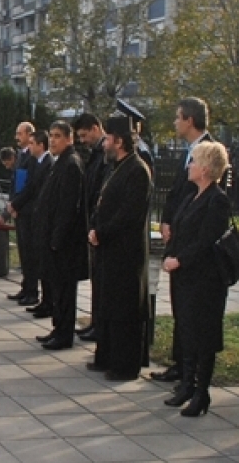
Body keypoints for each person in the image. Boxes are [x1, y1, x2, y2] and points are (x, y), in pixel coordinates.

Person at [161, 141, 231, 416]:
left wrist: (180, 259)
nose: (188, 166)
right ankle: (186, 384)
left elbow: (206, 240)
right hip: (184, 277)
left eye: (193, 162)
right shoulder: (193, 196)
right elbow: (179, 231)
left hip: (204, 279)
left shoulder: (217, 199)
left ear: (205, 168)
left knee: (203, 334)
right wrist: (170, 254)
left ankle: (202, 392)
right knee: (186, 329)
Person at [152, 97, 219, 384]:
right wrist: (167, 221)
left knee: (193, 314)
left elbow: (202, 202)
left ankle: (189, 372)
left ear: (190, 119)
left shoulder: (210, 152)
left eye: (178, 117)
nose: (175, 122)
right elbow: (177, 193)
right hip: (178, 235)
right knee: (180, 307)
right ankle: (180, 364)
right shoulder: (187, 151)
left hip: (194, 251)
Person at [87, 115, 152, 381]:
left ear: (120, 141)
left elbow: (128, 214)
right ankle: (108, 356)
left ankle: (125, 365)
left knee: (124, 309)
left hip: (125, 252)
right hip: (108, 250)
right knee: (109, 306)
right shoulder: (117, 167)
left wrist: (102, 231)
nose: (104, 145)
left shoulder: (137, 170)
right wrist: (94, 226)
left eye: (108, 140)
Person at [34, 121, 87, 351]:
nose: (53, 140)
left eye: (57, 136)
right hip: (52, 239)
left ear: (69, 139)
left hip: (64, 243)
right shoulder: (60, 162)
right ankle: (57, 328)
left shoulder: (71, 164)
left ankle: (64, 334)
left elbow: (68, 207)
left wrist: (57, 238)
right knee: (56, 288)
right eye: (52, 136)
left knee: (65, 290)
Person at [73, 113, 108, 342]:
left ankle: (100, 323)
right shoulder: (96, 154)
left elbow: (101, 192)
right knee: (97, 281)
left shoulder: (105, 154)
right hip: (93, 226)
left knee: (102, 283)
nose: (83, 141)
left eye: (85, 135)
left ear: (96, 129)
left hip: (101, 227)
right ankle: (95, 321)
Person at [13, 131, 53, 320]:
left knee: (36, 256)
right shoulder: (36, 162)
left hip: (37, 215)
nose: (29, 147)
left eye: (32, 143)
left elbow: (36, 190)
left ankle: (38, 295)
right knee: (27, 254)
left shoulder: (47, 163)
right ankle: (31, 291)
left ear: (40, 145)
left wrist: (16, 205)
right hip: (29, 213)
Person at [6, 122, 36, 304]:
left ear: (28, 134)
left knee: (30, 253)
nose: (17, 137)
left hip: (27, 210)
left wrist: (16, 205)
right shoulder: (22, 156)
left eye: (20, 133)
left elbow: (30, 186)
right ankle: (26, 286)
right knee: (23, 252)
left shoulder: (31, 156)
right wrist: (11, 204)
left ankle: (32, 290)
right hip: (19, 209)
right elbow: (15, 181)